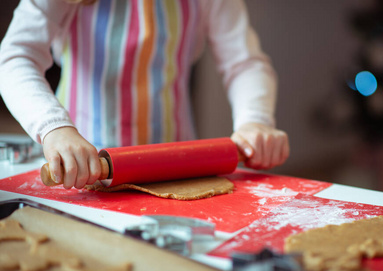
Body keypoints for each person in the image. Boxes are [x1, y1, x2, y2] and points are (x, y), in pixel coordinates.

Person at [0, 0, 290, 189]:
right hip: (77, 173)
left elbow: (244, 64)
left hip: (175, 172)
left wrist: (255, 120)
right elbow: (15, 57)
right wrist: (54, 128)